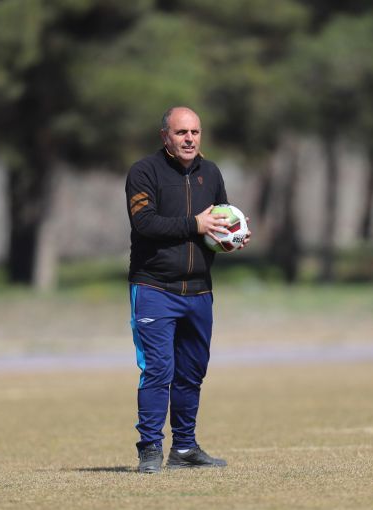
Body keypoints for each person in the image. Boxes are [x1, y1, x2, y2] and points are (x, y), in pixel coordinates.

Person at [125, 106, 250, 473]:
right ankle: (150, 449)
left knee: (192, 373)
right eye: (181, 132)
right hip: (154, 287)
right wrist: (195, 224)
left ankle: (184, 449)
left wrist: (234, 236)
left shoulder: (211, 173)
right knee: (158, 370)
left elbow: (219, 221)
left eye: (195, 132)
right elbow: (145, 223)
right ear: (165, 136)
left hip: (199, 291)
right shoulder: (144, 172)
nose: (189, 139)